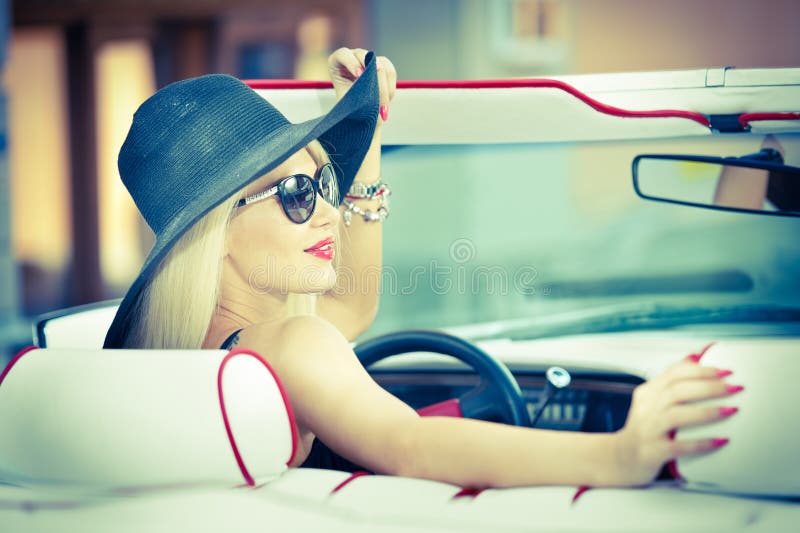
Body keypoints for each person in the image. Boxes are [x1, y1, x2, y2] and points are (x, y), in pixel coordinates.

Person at [105, 48, 741, 489]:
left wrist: (367, 140)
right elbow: (410, 446)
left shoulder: (167, 359)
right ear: (215, 236)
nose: (329, 213)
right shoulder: (290, 342)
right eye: (299, 195)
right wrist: (617, 454)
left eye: (324, 180)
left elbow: (352, 310)